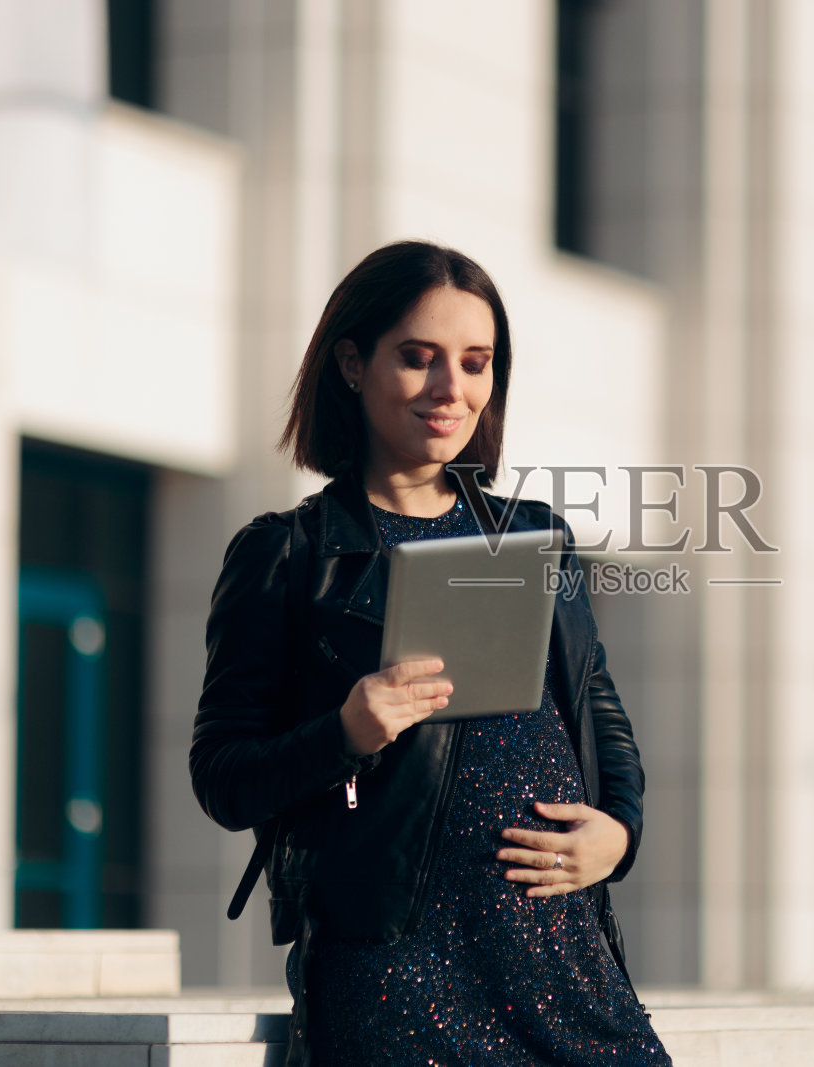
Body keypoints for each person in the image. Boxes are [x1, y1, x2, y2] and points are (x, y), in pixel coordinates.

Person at [190, 240, 671, 1066]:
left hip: (564, 963)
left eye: (476, 362)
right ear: (352, 363)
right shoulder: (286, 554)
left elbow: (600, 715)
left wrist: (619, 834)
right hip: (395, 975)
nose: (453, 389)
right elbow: (223, 776)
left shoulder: (534, 534)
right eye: (419, 358)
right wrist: (343, 730)